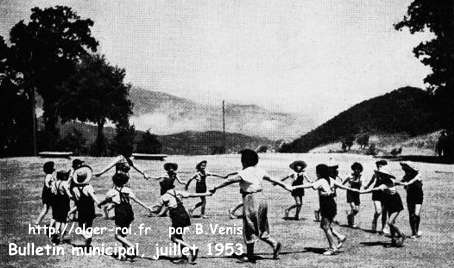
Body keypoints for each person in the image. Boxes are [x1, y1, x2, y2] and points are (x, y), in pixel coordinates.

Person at [209, 149, 292, 263]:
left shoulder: (244, 173)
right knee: (261, 225)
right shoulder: (259, 170)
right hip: (262, 199)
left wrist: (215, 188)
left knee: (249, 226)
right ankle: (274, 243)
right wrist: (286, 186)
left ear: (244, 161)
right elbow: (273, 179)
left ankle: (250, 255)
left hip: (251, 199)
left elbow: (229, 181)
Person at [292, 164, 354, 255]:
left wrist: (295, 187)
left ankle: (333, 248)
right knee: (324, 225)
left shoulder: (321, 181)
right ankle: (340, 237)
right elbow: (341, 186)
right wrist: (353, 190)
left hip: (327, 206)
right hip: (332, 205)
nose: (316, 173)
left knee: (325, 226)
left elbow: (310, 185)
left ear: (319, 172)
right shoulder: (330, 179)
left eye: (317, 172)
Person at [149, 185, 211, 264]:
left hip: (176, 217)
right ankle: (184, 257)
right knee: (179, 237)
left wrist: (150, 208)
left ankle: (191, 248)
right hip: (184, 215)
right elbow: (192, 195)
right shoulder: (178, 192)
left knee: (174, 238)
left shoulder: (164, 197)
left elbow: (156, 209)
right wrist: (206, 194)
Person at [98, 173, 153, 260]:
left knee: (117, 236)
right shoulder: (127, 190)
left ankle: (132, 247)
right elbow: (136, 200)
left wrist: (99, 204)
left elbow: (105, 201)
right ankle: (125, 254)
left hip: (120, 213)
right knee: (123, 234)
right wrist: (147, 207)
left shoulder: (111, 192)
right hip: (129, 212)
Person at [360, 168, 406, 247]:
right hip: (389, 202)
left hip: (396, 203)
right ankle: (393, 240)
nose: (381, 176)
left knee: (390, 222)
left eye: (382, 175)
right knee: (392, 223)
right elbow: (375, 189)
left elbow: (374, 189)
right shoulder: (385, 183)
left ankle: (401, 235)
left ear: (386, 176)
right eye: (380, 175)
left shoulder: (385, 184)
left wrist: (361, 192)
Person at [72, 165, 100, 248]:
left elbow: (77, 200)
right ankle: (88, 238)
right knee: (89, 224)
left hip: (81, 208)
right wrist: (99, 203)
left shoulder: (74, 188)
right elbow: (93, 196)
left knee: (80, 226)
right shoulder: (89, 187)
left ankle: (86, 238)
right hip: (90, 208)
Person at [364, 160, 390, 234]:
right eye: (378, 166)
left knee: (384, 212)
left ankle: (383, 228)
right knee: (378, 211)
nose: (379, 167)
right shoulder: (376, 173)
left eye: (380, 166)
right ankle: (374, 221)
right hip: (376, 193)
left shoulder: (388, 174)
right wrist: (367, 186)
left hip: (385, 193)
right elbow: (372, 181)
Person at [400, 162, 423, 238]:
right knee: (411, 214)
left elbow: (412, 181)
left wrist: (407, 183)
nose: (406, 170)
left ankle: (417, 229)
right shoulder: (406, 176)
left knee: (416, 214)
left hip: (418, 195)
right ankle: (414, 232)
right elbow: (402, 183)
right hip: (410, 196)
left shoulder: (418, 175)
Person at [50, 170, 73, 244]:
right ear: (63, 176)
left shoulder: (54, 183)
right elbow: (68, 194)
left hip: (56, 203)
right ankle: (61, 238)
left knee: (57, 219)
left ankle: (56, 233)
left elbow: (52, 192)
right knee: (63, 221)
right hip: (64, 203)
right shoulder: (64, 183)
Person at [342, 162, 363, 228]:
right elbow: (342, 184)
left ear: (360, 170)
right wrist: (348, 186)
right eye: (355, 169)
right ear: (353, 169)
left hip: (357, 194)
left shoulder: (361, 177)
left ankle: (349, 216)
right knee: (353, 208)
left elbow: (362, 185)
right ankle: (352, 223)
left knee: (357, 210)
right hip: (350, 193)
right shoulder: (349, 176)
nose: (356, 170)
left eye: (358, 169)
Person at [35, 161, 56, 226]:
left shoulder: (50, 175)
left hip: (47, 194)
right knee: (51, 210)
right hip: (49, 195)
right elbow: (47, 183)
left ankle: (37, 224)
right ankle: (52, 225)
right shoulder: (49, 176)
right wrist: (49, 187)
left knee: (45, 210)